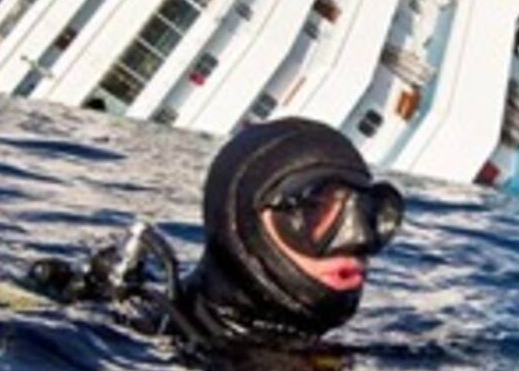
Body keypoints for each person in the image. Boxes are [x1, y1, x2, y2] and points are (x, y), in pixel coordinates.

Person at [26, 118, 405, 348]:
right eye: (317, 210)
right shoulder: (142, 339)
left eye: (370, 213)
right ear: (243, 222)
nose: (357, 240)